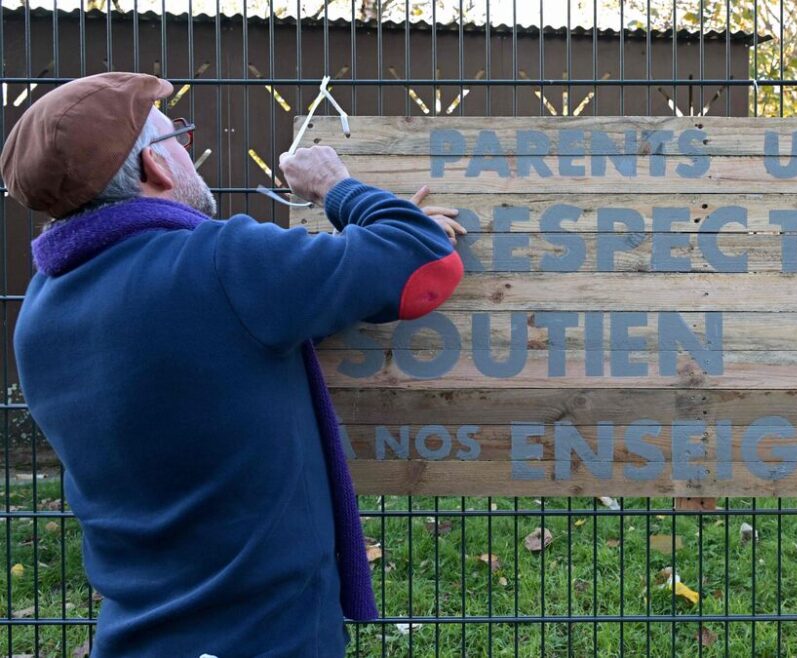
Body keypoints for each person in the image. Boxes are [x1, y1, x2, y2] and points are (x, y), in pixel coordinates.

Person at [0, 73, 467, 657]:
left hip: (137, 636)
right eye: (180, 137)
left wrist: (354, 262)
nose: (189, 151)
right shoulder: (219, 265)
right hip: (264, 635)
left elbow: (222, 341)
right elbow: (426, 264)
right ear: (156, 167)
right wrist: (341, 190)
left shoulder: (43, 311)